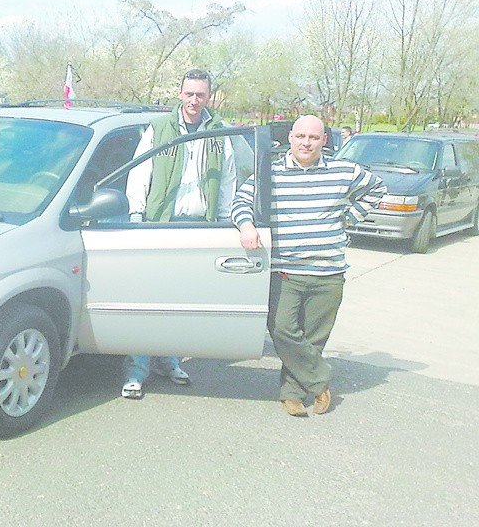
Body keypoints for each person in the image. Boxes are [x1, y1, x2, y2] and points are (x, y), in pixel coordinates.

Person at [231, 115, 385, 416]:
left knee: (314, 337)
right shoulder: (269, 173)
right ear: (290, 138)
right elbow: (240, 202)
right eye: (300, 136)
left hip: (328, 270)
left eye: (313, 138)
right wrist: (247, 227)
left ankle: (292, 394)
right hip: (285, 270)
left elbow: (377, 190)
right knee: (282, 329)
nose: (306, 142)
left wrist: (347, 219)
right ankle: (319, 381)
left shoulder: (344, 171)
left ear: (323, 140)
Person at [120, 68, 239, 400]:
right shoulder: (159, 129)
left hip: (201, 226)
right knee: (149, 300)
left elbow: (228, 179)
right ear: (180, 94)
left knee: (183, 301)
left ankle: (170, 360)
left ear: (209, 96)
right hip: (161, 225)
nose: (194, 100)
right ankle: (136, 371)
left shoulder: (218, 133)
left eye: (201, 94)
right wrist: (137, 215)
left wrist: (227, 220)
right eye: (189, 93)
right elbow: (140, 173)